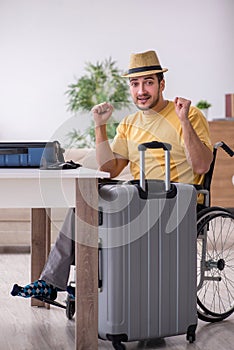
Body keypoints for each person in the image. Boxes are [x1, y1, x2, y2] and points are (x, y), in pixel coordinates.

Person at [11, 50, 213, 300]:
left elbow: (202, 166)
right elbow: (110, 169)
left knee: (106, 209)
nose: (141, 90)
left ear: (162, 84)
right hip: (139, 197)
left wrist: (183, 121)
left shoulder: (188, 114)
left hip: (177, 201)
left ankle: (85, 283)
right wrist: (100, 126)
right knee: (86, 201)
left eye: (148, 82)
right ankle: (62, 282)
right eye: (135, 83)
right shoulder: (129, 123)